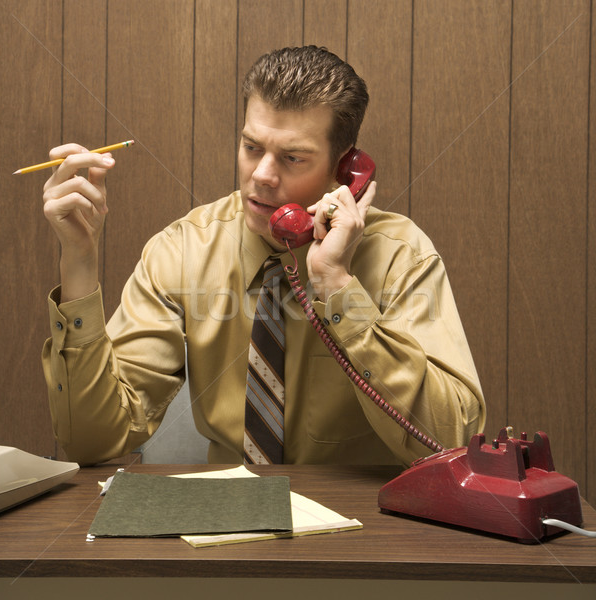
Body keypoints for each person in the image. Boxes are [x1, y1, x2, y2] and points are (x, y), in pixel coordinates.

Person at [42, 46, 485, 467]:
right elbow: (92, 441)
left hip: (362, 527)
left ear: (345, 169)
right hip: (228, 524)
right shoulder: (183, 250)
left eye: (292, 158)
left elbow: (453, 442)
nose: (262, 175)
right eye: (252, 147)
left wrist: (339, 289)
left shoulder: (398, 256)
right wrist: (79, 257)